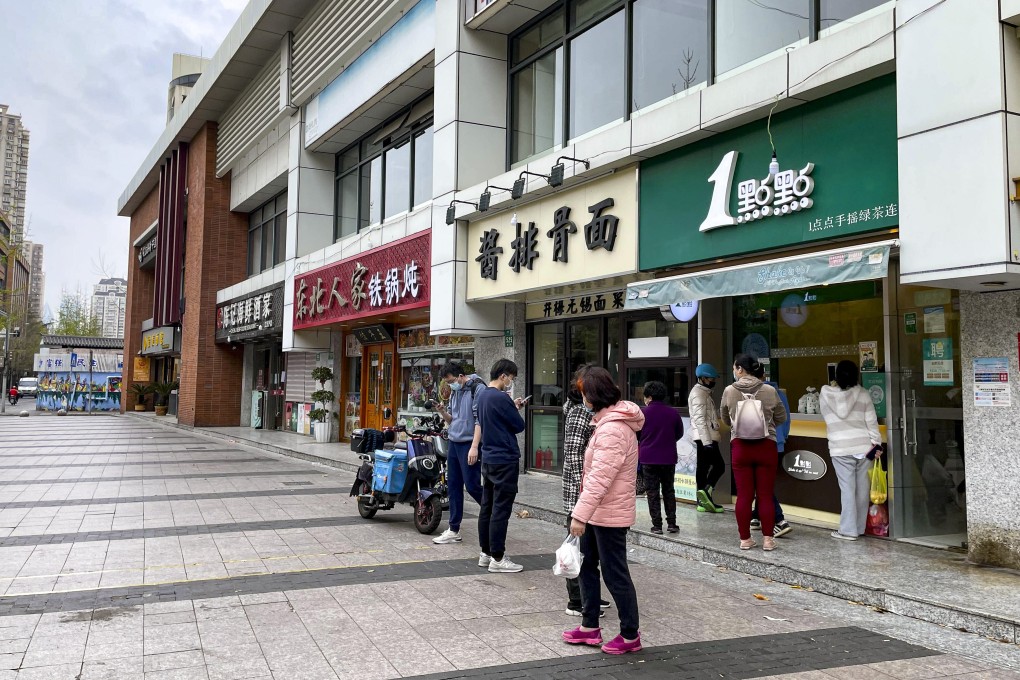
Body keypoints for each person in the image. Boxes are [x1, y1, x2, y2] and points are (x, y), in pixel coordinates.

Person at [562, 367, 645, 655]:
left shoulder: (612, 429)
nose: (581, 397)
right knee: (586, 567)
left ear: (593, 395)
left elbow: (599, 478)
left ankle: (630, 634)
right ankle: (589, 626)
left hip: (609, 514)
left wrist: (579, 515)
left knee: (614, 573)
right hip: (598, 512)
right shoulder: (605, 423)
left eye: (584, 392)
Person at [720, 354, 787, 551]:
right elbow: (781, 417)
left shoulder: (729, 391)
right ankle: (768, 540)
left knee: (744, 495)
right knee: (765, 495)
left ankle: (745, 539)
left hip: (740, 447)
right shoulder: (769, 390)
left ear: (740, 369)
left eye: (735, 368)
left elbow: (725, 418)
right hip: (766, 445)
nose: (734, 371)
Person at [561, 364, 609, 617]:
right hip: (579, 495)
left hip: (585, 494)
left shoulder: (581, 411)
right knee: (578, 549)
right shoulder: (580, 413)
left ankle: (589, 596)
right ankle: (577, 601)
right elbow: (575, 457)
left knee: (587, 551)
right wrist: (585, 497)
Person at [819, 360, 882, 541]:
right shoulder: (863, 394)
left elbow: (826, 417)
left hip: (840, 448)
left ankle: (848, 530)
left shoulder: (825, 393)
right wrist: (876, 445)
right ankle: (859, 528)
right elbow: (871, 422)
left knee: (847, 489)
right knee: (862, 490)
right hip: (863, 448)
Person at [475, 359, 528, 573]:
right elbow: (518, 425)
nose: (511, 382)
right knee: (501, 509)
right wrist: (514, 408)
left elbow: (494, 420)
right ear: (503, 375)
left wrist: (512, 407)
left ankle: (485, 553)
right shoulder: (501, 397)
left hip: (488, 457)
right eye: (511, 378)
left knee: (487, 506)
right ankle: (498, 557)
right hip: (504, 459)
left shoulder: (482, 395)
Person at [432, 361, 486, 545]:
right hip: (454, 443)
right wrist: (442, 412)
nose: (450, 385)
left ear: (461, 376)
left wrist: (474, 446)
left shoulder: (477, 389)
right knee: (453, 486)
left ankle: (492, 511)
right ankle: (454, 528)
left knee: (472, 485)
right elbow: (452, 420)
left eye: (451, 381)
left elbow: (480, 420)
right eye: (447, 382)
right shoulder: (456, 391)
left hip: (468, 444)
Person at [750, 365, 793, 538]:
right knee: (762, 481)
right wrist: (783, 437)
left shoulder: (756, 394)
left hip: (762, 443)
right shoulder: (779, 393)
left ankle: (780, 520)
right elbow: (787, 419)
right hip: (778, 444)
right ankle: (755, 516)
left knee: (762, 484)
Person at [638, 381, 683, 534]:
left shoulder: (642, 414)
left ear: (648, 397)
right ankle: (672, 523)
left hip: (648, 458)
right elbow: (679, 433)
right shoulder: (673, 413)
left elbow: (637, 434)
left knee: (652, 492)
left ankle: (657, 525)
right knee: (669, 490)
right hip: (668, 457)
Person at [689, 364, 724, 514]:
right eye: (710, 378)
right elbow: (699, 419)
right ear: (702, 378)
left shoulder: (704, 392)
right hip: (705, 437)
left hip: (705, 436)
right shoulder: (699, 393)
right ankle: (706, 493)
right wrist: (707, 442)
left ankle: (702, 501)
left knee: (703, 468)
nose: (713, 381)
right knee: (719, 466)